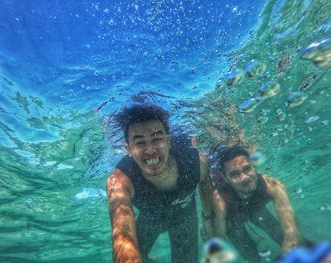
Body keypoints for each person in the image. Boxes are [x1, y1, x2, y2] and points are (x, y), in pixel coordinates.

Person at [106, 104, 213, 263]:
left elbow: (205, 182)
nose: (150, 150)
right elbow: (122, 237)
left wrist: (208, 217)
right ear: (128, 149)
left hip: (185, 215)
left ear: (169, 141)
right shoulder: (119, 181)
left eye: (157, 138)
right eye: (140, 142)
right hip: (151, 219)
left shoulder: (195, 162)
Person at [202, 145, 302, 261]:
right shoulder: (220, 200)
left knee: (281, 235)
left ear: (254, 166)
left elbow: (291, 232)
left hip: (255, 207)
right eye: (234, 174)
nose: (244, 178)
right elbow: (221, 238)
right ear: (224, 178)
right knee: (250, 255)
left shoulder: (273, 185)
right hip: (231, 217)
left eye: (247, 169)